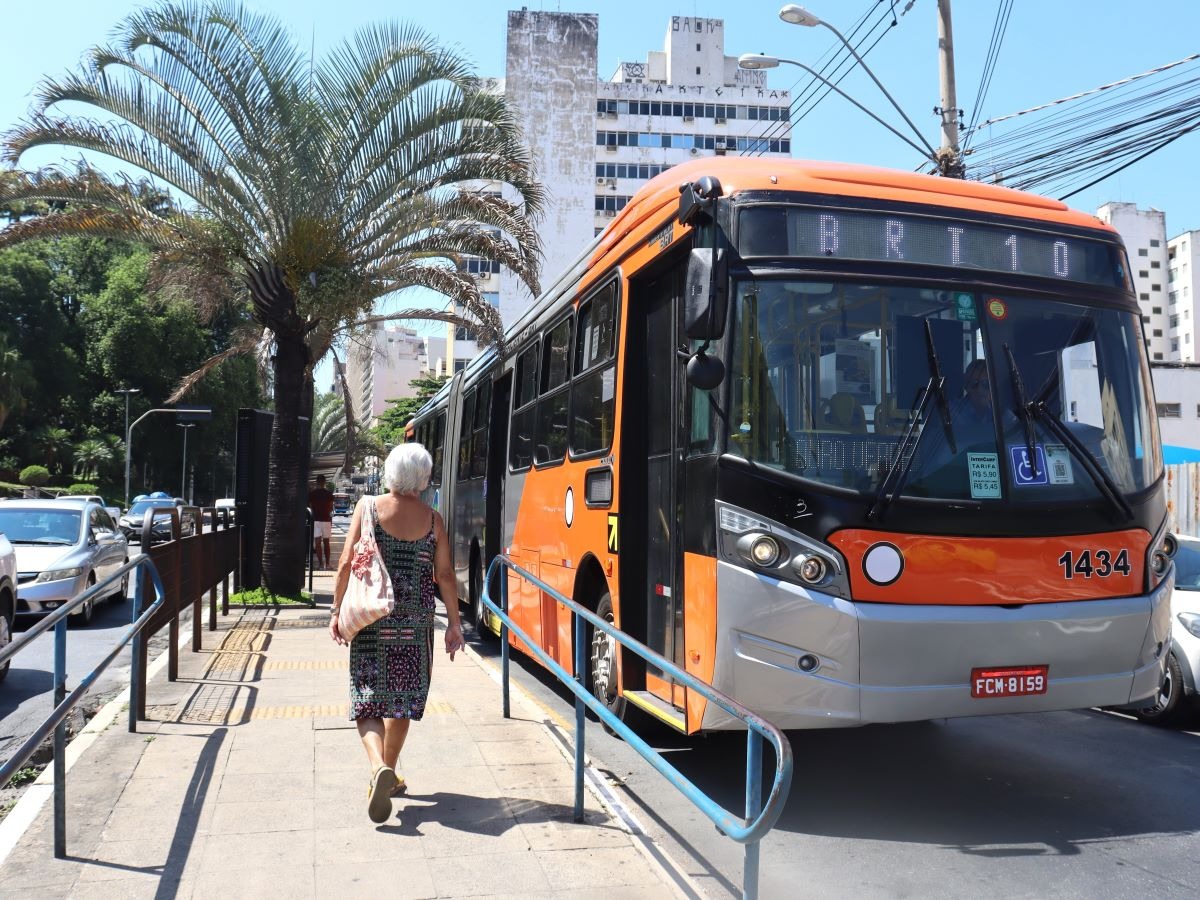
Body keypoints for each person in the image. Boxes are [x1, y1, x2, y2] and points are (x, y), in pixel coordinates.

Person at [328, 443, 465, 824]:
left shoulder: (368, 508)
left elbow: (344, 562)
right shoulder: (434, 520)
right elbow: (446, 576)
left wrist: (337, 610)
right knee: (400, 703)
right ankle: (386, 774)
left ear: (390, 472)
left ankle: (377, 769)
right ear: (423, 479)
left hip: (373, 622)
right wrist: (454, 624)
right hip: (414, 627)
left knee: (368, 701)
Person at [307, 476, 335, 569]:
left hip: (316, 520)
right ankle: (327, 564)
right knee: (327, 543)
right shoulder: (328, 494)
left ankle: (320, 564)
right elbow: (331, 508)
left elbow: (310, 507)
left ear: (316, 482)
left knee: (317, 543)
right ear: (324, 482)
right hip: (326, 520)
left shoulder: (312, 494)